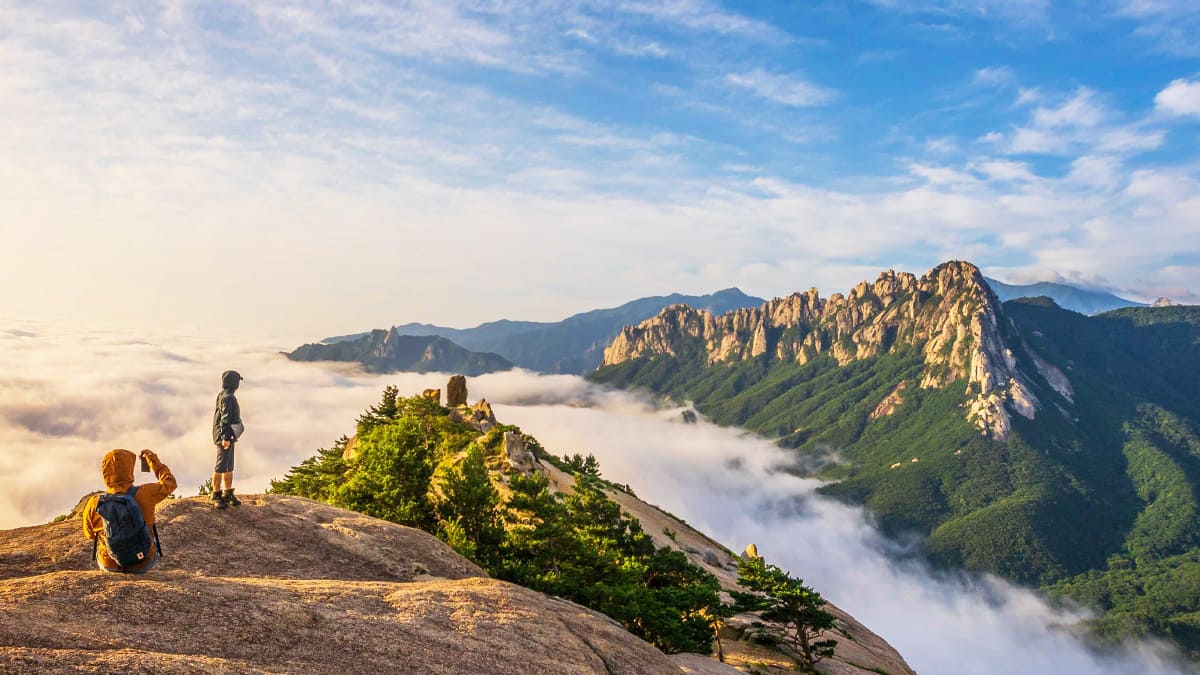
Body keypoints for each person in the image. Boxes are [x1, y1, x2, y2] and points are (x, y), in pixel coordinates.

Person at [83, 448, 177, 573]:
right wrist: (153, 461)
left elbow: (89, 534)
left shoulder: (94, 503)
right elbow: (170, 483)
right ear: (130, 469)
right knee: (149, 535)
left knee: (102, 545)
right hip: (143, 562)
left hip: (109, 564)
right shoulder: (146, 493)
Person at [211, 370, 245, 509]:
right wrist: (225, 437)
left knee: (229, 465)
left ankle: (227, 492)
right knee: (220, 466)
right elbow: (224, 418)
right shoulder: (228, 397)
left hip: (228, 435)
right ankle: (216, 494)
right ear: (234, 383)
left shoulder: (222, 395)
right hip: (224, 436)